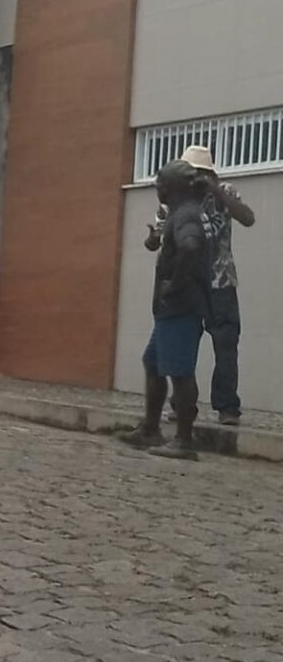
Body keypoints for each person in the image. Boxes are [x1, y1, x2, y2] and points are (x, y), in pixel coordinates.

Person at [144, 144, 255, 424]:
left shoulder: (225, 192)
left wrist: (215, 191)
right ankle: (182, 408)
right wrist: (152, 240)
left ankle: (227, 407)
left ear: (210, 173)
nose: (194, 178)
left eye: (199, 173)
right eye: (190, 173)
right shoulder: (174, 199)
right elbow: (156, 238)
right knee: (182, 348)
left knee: (225, 347)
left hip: (221, 284)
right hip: (191, 287)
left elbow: (248, 218)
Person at [128, 159, 211, 460]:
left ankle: (184, 440)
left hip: (180, 307)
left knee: (180, 372)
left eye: (161, 182)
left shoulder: (186, 215)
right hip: (172, 310)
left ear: (174, 186)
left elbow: (191, 247)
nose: (157, 187)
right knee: (153, 362)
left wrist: (173, 285)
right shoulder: (179, 213)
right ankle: (150, 428)